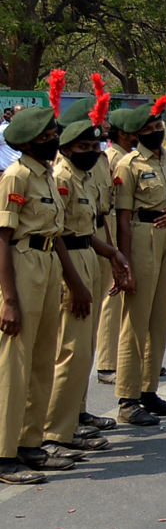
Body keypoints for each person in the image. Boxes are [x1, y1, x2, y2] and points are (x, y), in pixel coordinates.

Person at [42, 114, 129, 459]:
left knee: (84, 349)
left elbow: (92, 224)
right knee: (71, 351)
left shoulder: (82, 174)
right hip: (70, 262)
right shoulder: (62, 177)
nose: (92, 152)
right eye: (84, 146)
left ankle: (73, 417)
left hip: (88, 255)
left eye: (95, 146)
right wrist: (74, 282)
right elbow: (62, 234)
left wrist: (111, 254)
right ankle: (57, 431)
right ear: (65, 148)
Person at [0, 106, 74, 483]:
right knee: (14, 363)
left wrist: (72, 279)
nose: (53, 141)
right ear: (29, 142)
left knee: (43, 357)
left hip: (46, 263)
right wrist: (9, 299)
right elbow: (3, 237)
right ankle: (4, 453)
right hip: (22, 263)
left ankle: (30, 443)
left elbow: (56, 231)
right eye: (46, 137)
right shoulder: (16, 176)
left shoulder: (45, 174)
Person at [114, 98, 166, 426]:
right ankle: (127, 398)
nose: (155, 132)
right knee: (136, 319)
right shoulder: (128, 165)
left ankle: (149, 391)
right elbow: (122, 217)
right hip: (141, 234)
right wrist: (125, 264)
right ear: (134, 135)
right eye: (148, 129)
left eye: (158, 127)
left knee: (160, 318)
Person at [94, 108, 138, 386]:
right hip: (105, 226)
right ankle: (107, 363)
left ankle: (125, 359)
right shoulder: (111, 159)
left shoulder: (120, 158)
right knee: (111, 297)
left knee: (121, 297)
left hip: (118, 226)